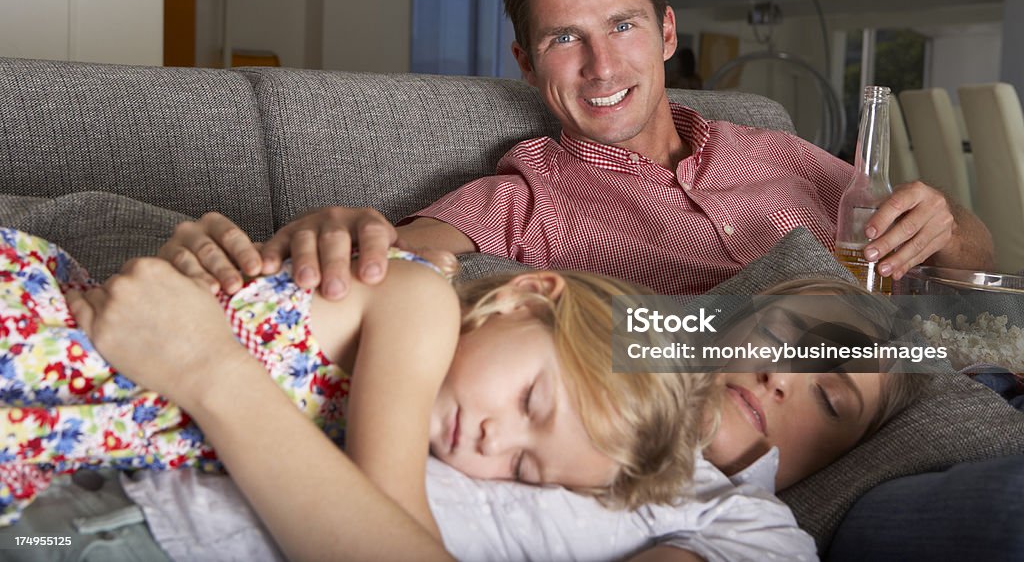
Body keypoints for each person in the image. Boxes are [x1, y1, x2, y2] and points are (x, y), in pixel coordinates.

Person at [156, 0, 993, 301]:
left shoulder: (783, 152)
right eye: (564, 39)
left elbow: (968, 258)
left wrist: (950, 225)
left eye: (622, 25)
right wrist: (329, 232)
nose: (600, 65)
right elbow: (406, 256)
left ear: (666, 32)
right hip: (854, 425)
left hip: (951, 362)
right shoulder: (529, 195)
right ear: (526, 62)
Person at [0, 227, 715, 551]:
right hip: (33, 339)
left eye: (524, 468)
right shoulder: (421, 305)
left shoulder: (397, 408)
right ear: (524, 298)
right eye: (532, 401)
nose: (498, 441)